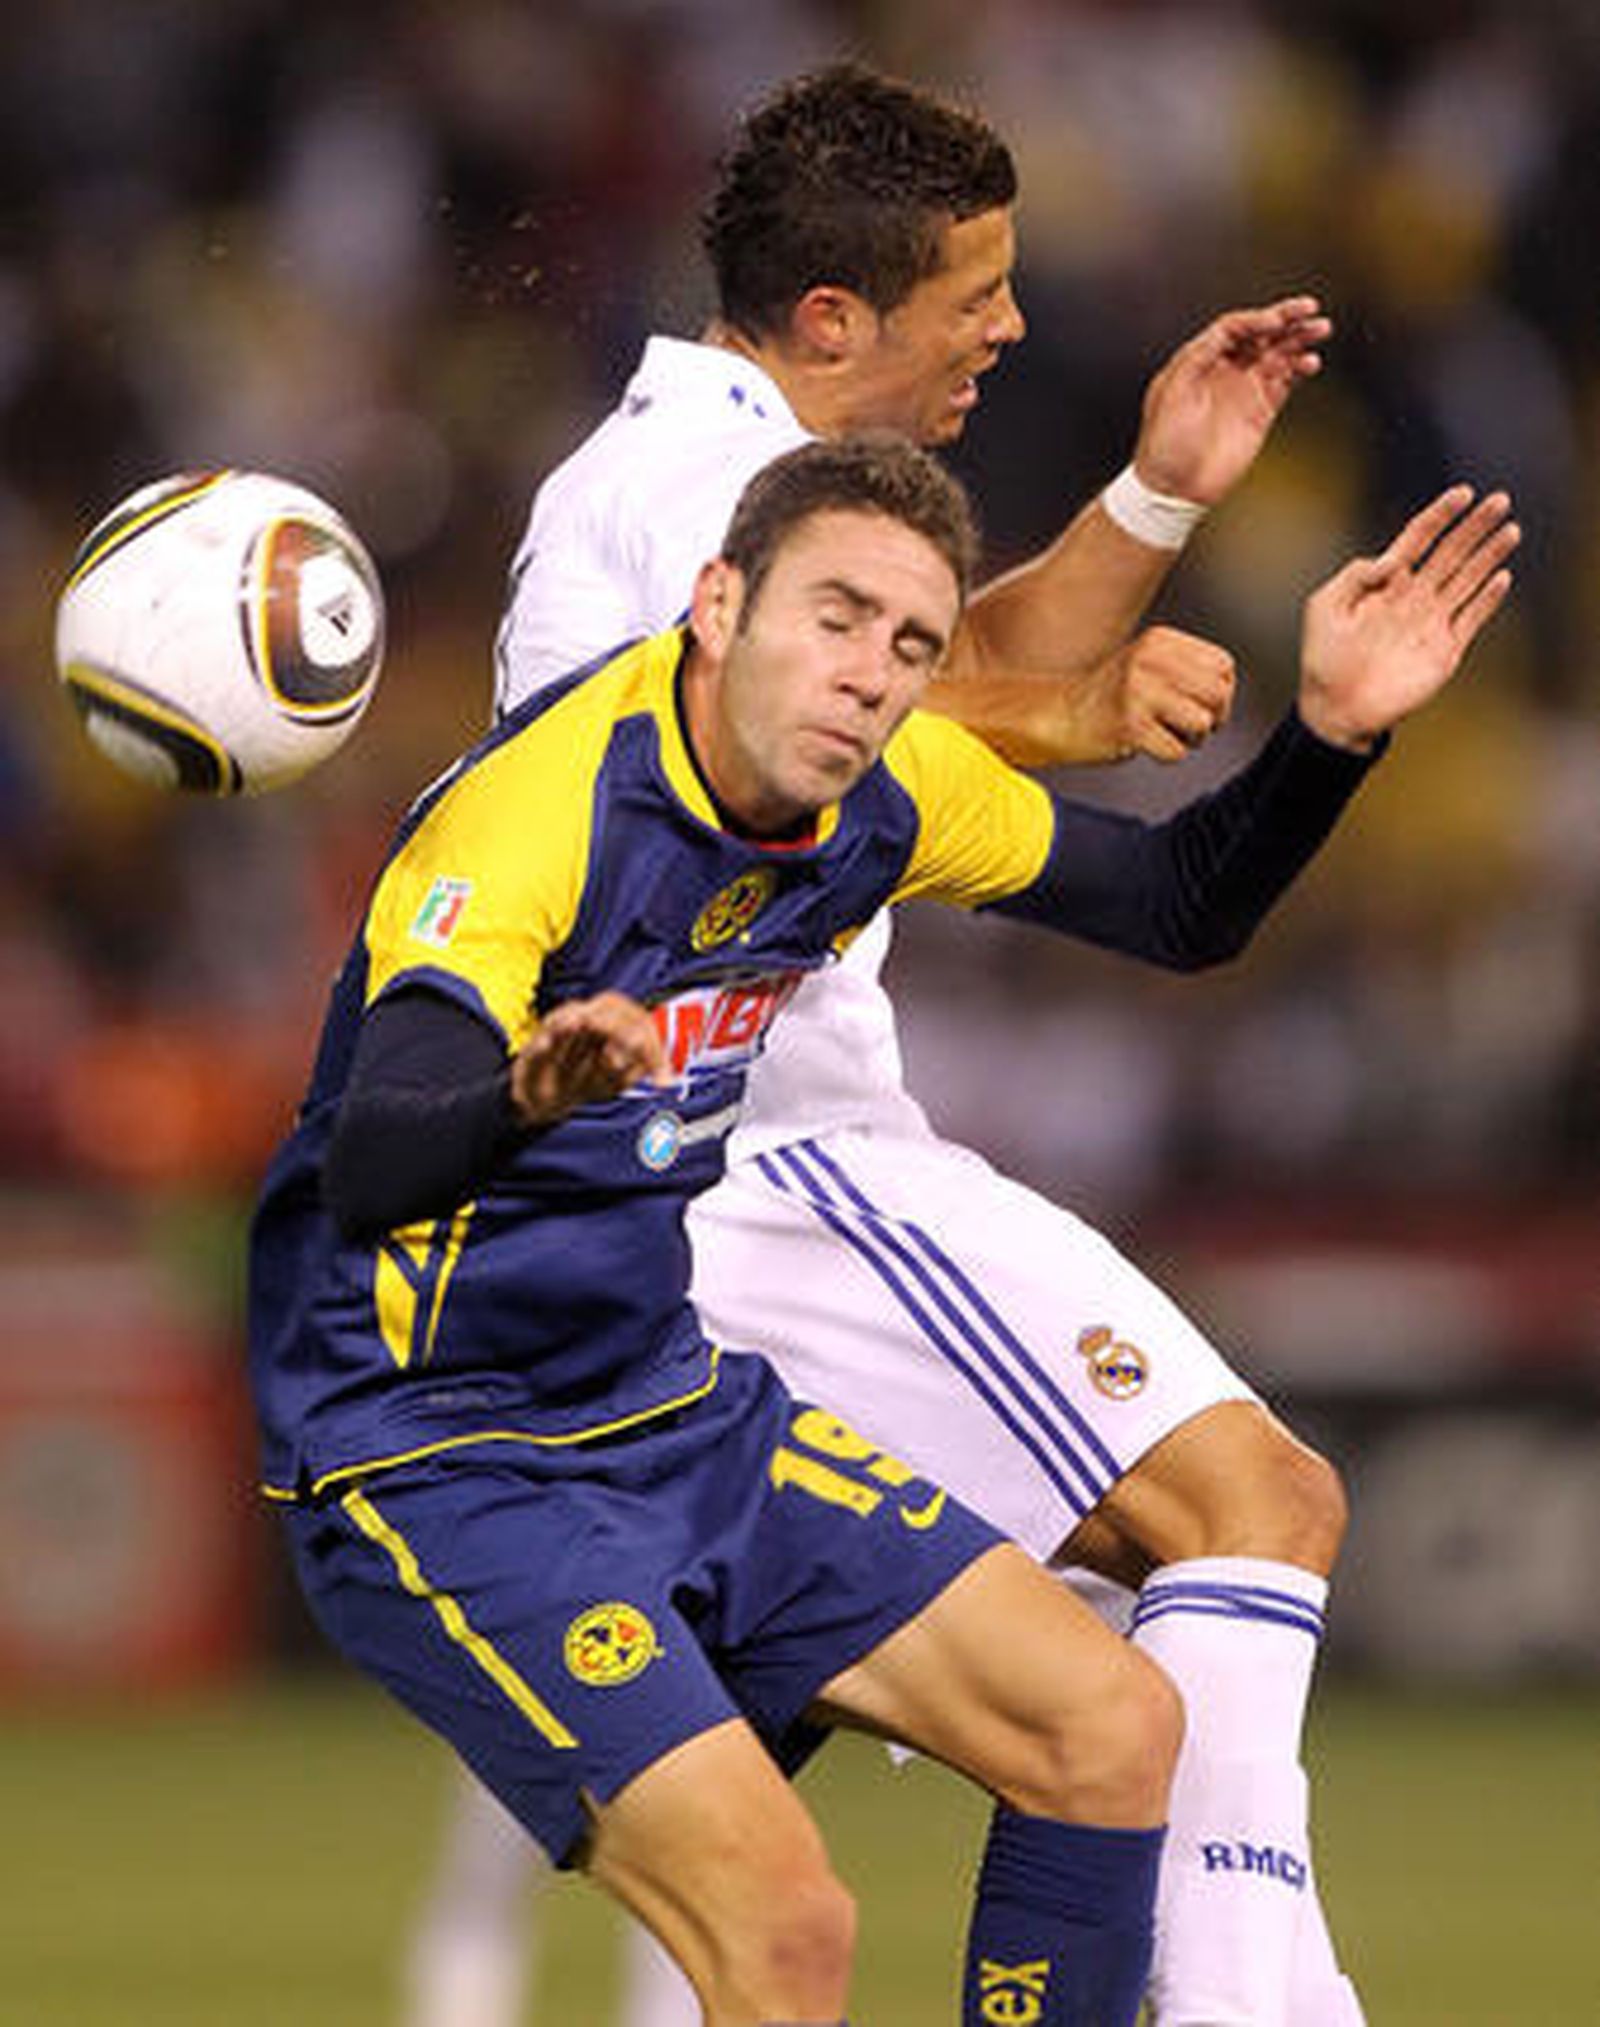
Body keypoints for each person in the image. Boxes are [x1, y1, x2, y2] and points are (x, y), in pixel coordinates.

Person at [405, 64, 1495, 2027]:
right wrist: (1079, 676)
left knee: (1092, 1714)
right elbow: (930, 704)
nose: (1007, 323)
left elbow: (947, 694)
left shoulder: (699, 483)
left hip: (689, 1202)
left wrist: (1154, 510)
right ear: (833, 318)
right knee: (1252, 1509)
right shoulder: (685, 495)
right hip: (767, 1166)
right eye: (970, 292)